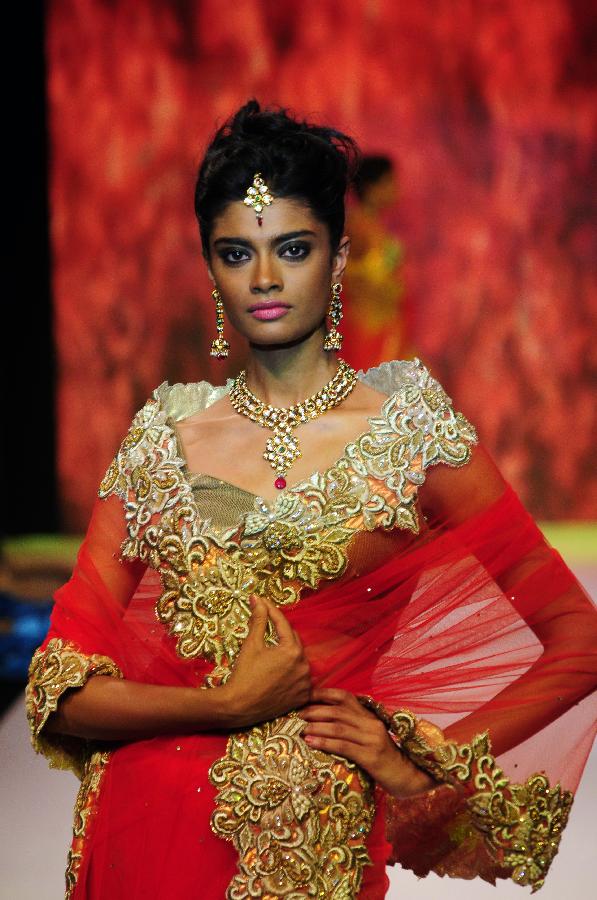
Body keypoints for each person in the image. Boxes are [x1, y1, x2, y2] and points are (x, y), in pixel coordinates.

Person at [26, 100, 597, 900]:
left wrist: (417, 754)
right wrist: (230, 704)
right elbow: (58, 688)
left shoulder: (406, 434)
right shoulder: (163, 436)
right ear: (210, 266)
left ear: (336, 259)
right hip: (141, 833)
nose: (263, 279)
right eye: (236, 253)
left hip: (311, 848)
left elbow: (577, 636)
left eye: (291, 249)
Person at [344, 155, 410, 370]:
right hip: (365, 328)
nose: (395, 189)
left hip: (387, 325)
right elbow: (343, 274)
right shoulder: (357, 226)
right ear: (372, 187)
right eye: (389, 182)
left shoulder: (375, 225)